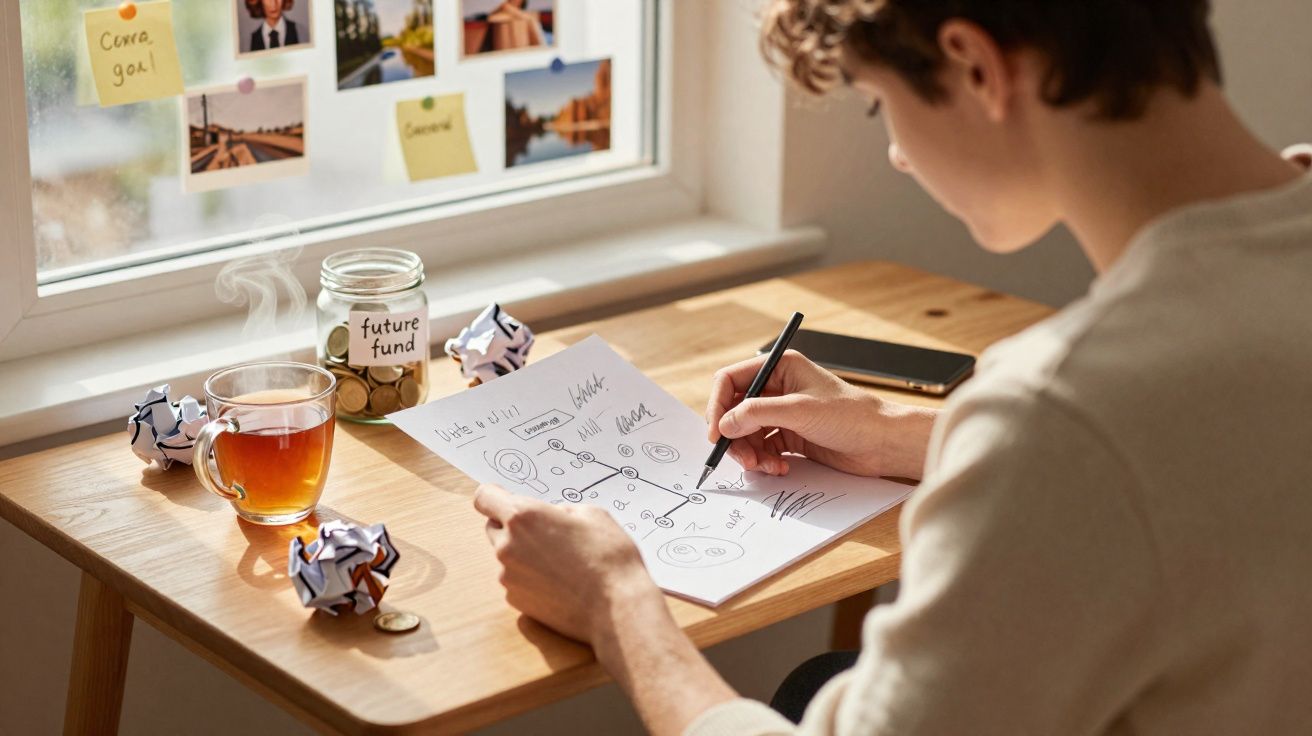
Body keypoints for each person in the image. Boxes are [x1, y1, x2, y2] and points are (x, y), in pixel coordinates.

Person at [473, 1, 1312, 734]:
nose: (900, 158)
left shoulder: (1062, 414)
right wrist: (905, 436)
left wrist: (616, 603)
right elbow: (1200, 447)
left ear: (977, 66)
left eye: (879, 108)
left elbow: (1096, 441)